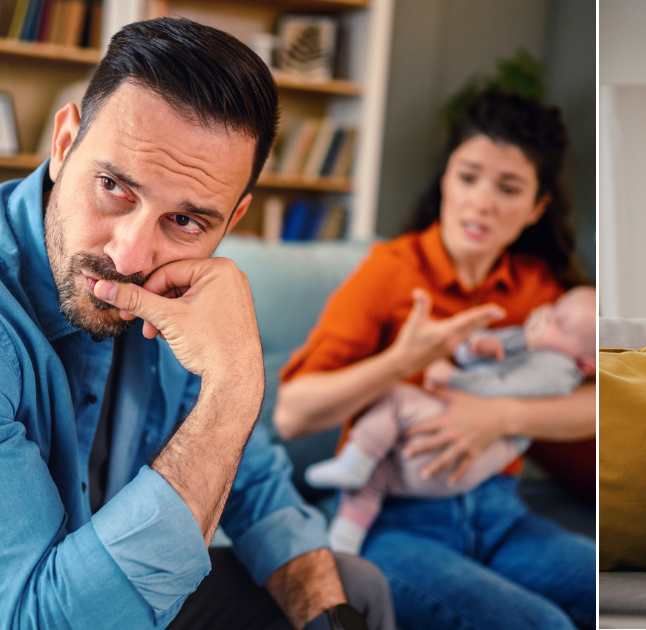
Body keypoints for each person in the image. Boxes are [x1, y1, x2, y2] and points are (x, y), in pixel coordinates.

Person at [0, 18, 395, 629]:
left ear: (232, 219)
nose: (130, 257)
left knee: (349, 591)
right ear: (64, 142)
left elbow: (255, 485)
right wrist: (234, 390)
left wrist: (327, 615)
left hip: (108, 594)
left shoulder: (184, 299)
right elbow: (41, 620)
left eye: (185, 221)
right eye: (113, 186)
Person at [275, 90, 597, 629]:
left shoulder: (540, 292)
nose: (482, 202)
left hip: (501, 515)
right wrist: (402, 362)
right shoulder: (391, 271)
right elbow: (291, 413)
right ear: (445, 180)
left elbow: (599, 401)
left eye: (509, 188)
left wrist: (500, 416)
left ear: (536, 208)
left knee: (604, 595)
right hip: (393, 520)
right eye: (467, 177)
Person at [305, 286, 597, 554]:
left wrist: (452, 378)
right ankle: (345, 540)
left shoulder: (556, 368)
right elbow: (480, 353)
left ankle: (357, 458)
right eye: (553, 307)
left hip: (465, 454)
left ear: (585, 363)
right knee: (377, 477)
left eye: (559, 322)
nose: (544, 315)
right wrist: (475, 347)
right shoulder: (531, 344)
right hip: (445, 460)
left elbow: (499, 392)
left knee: (395, 397)